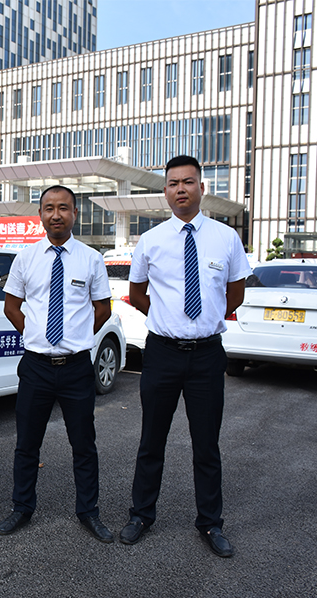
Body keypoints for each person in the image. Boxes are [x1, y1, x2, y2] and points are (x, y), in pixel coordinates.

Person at [119, 155, 251, 557]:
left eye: (188, 182)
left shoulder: (225, 238)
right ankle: (141, 514)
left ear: (201, 188)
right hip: (162, 353)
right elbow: (137, 293)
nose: (181, 189)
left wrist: (203, 319)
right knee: (151, 440)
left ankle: (210, 523)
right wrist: (168, 318)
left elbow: (235, 293)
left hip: (207, 355)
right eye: (173, 183)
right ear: (165, 192)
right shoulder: (151, 240)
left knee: (206, 444)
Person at [0, 185, 114, 542]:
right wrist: (36, 335)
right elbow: (11, 306)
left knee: (84, 444)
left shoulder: (91, 259)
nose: (56, 214)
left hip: (76, 367)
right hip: (36, 367)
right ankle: (22, 507)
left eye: (63, 208)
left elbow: (103, 309)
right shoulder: (26, 258)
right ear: (41, 215)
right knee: (27, 444)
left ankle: (88, 511)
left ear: (74, 213)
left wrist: (77, 338)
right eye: (49, 208)